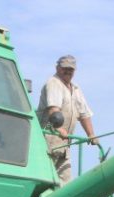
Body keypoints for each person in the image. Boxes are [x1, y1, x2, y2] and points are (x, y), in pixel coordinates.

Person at [37, 55, 98, 183]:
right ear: (57, 68)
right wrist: (59, 128)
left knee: (65, 183)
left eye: (71, 69)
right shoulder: (54, 83)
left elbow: (84, 114)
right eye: (65, 68)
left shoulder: (75, 89)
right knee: (44, 180)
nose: (67, 71)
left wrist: (91, 134)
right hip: (48, 143)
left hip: (65, 146)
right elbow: (54, 109)